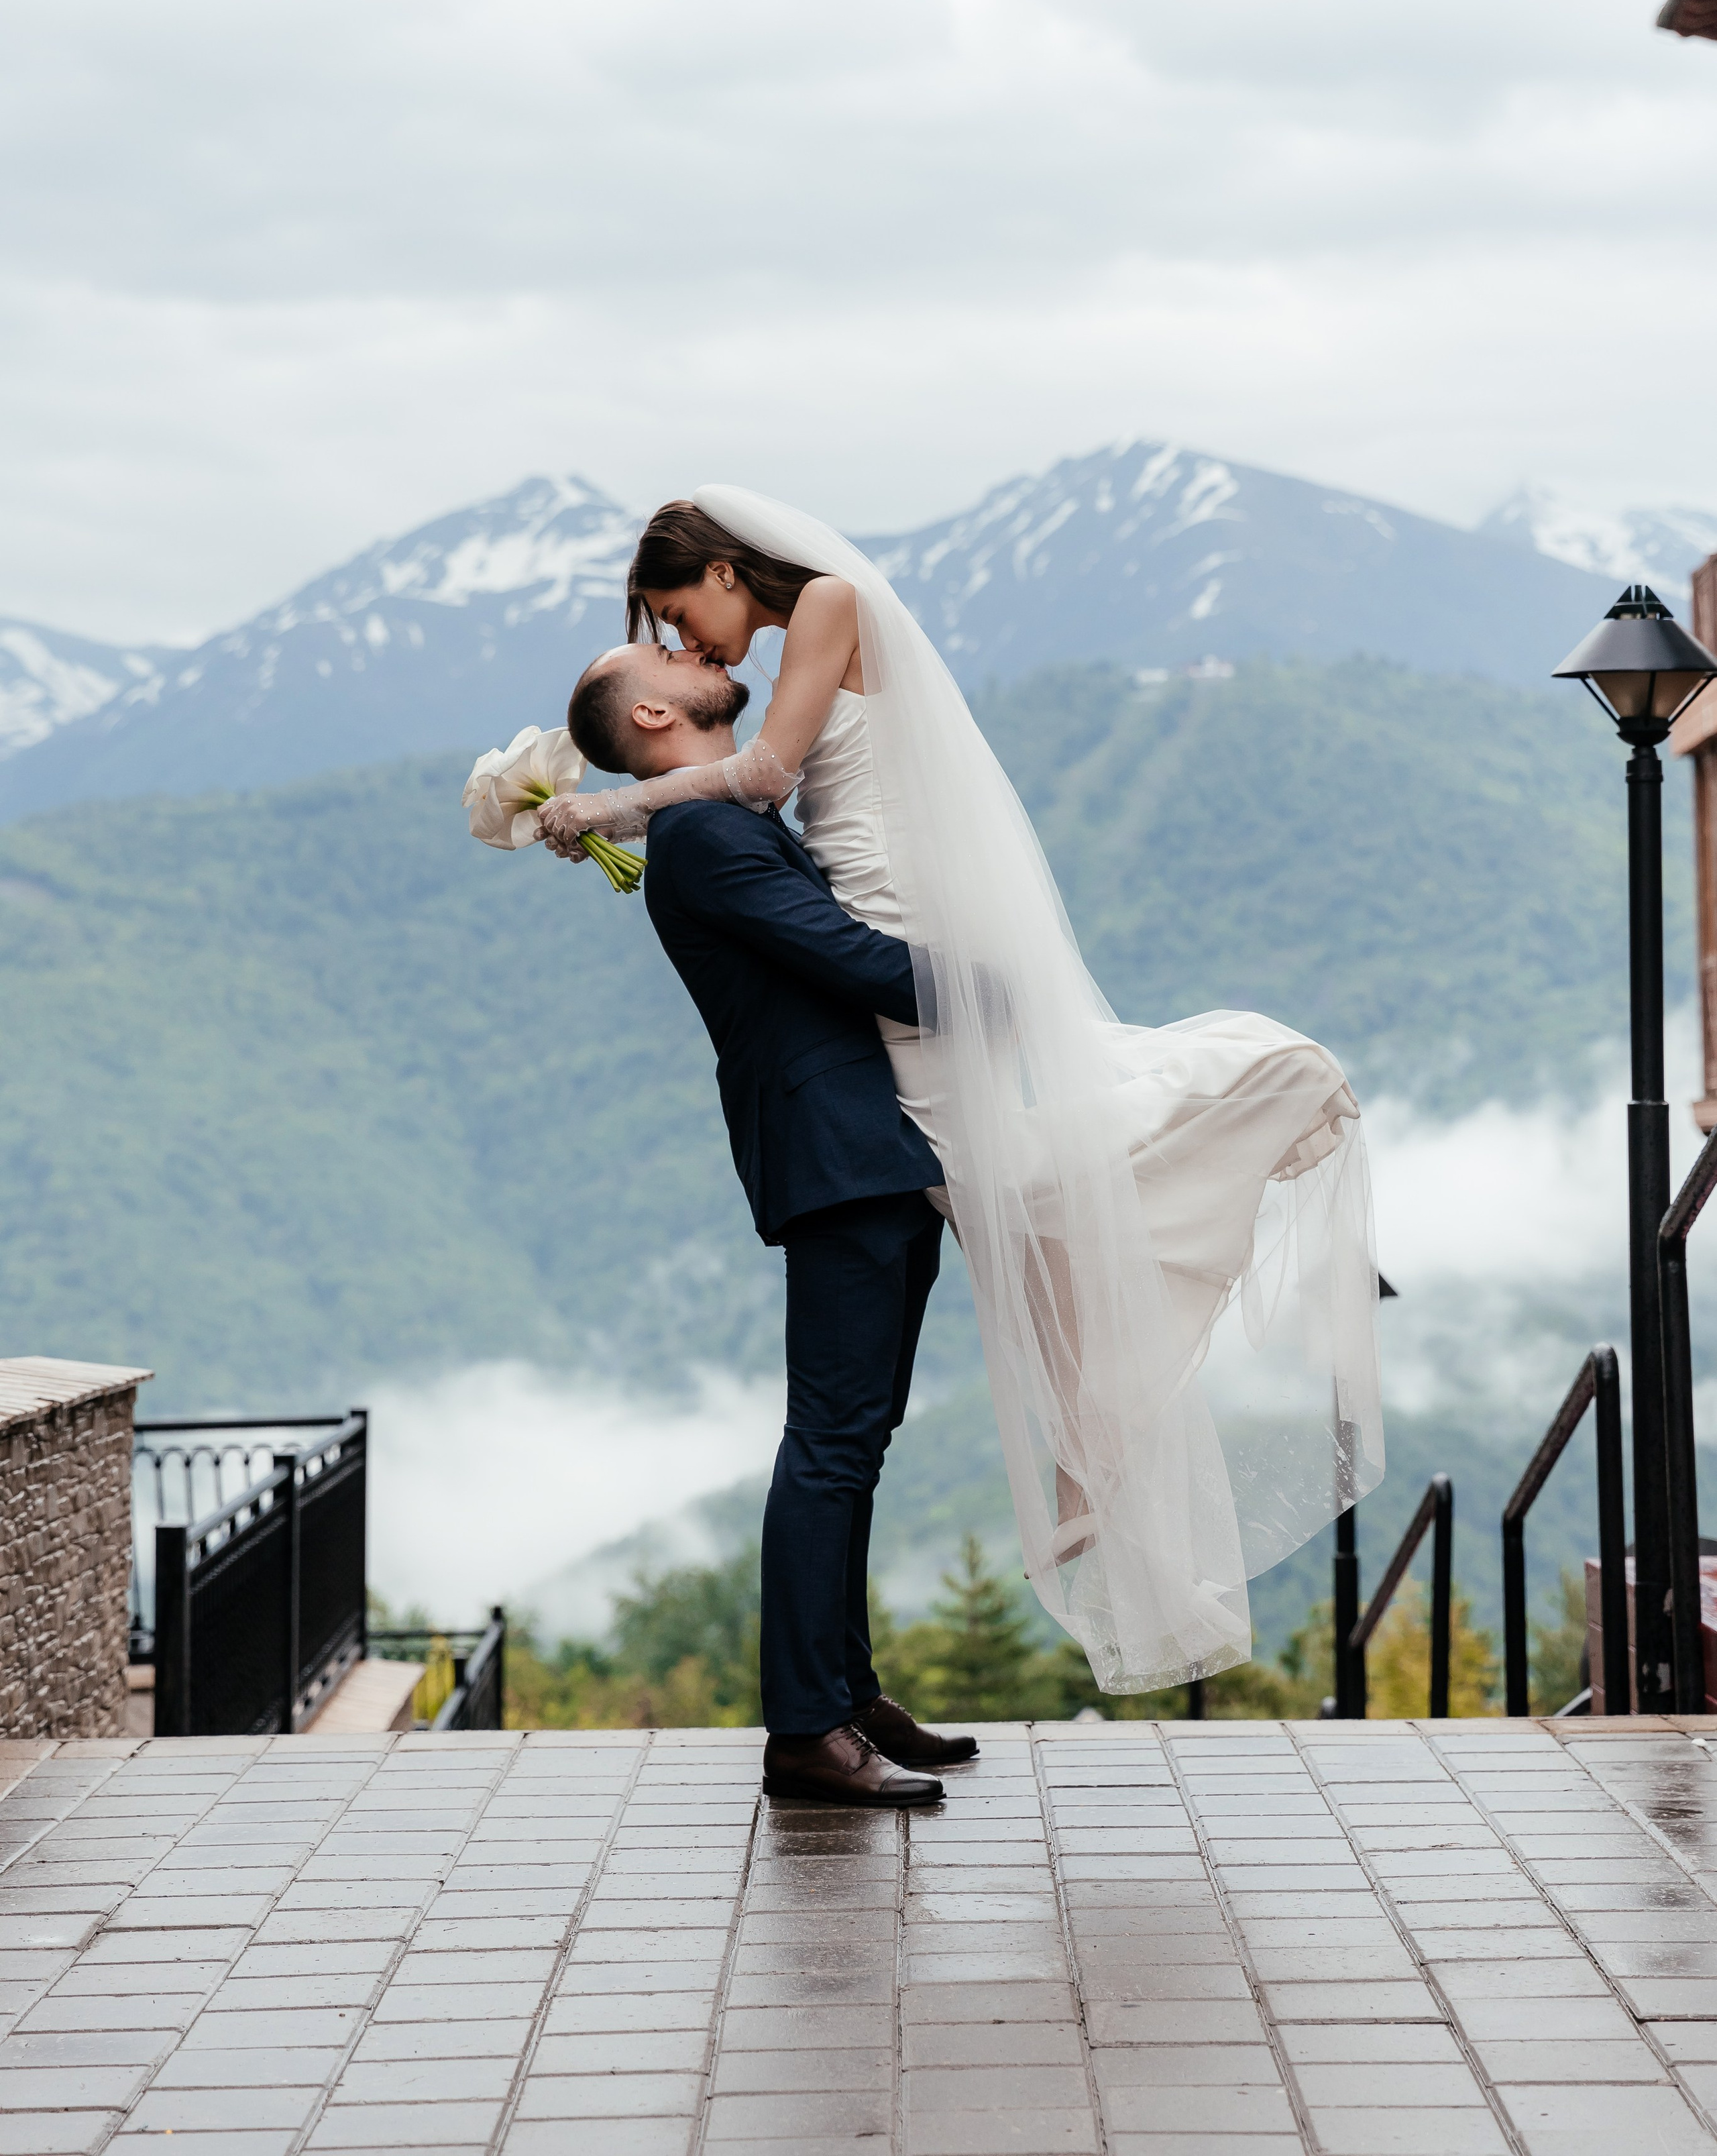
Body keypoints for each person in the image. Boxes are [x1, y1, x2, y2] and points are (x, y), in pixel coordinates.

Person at [543, 488, 1386, 1701]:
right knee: (1018, 1200)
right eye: (667, 637)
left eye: (683, 612)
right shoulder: (741, 762)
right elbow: (766, 799)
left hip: (901, 953)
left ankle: (1084, 1447)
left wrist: (610, 802)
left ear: (730, 568)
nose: (692, 643)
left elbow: (771, 774)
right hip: (885, 999)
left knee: (1023, 1194)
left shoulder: (826, 605)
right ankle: (1075, 1462)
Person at [563, 637, 979, 1804]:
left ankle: (845, 1691)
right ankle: (803, 1731)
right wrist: (999, 988)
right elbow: (841, 956)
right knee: (835, 1440)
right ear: (652, 710)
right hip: (835, 1153)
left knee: (865, 1436)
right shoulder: (700, 834)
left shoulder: (710, 813)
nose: (693, 649)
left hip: (875, 1152)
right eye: (665, 653)